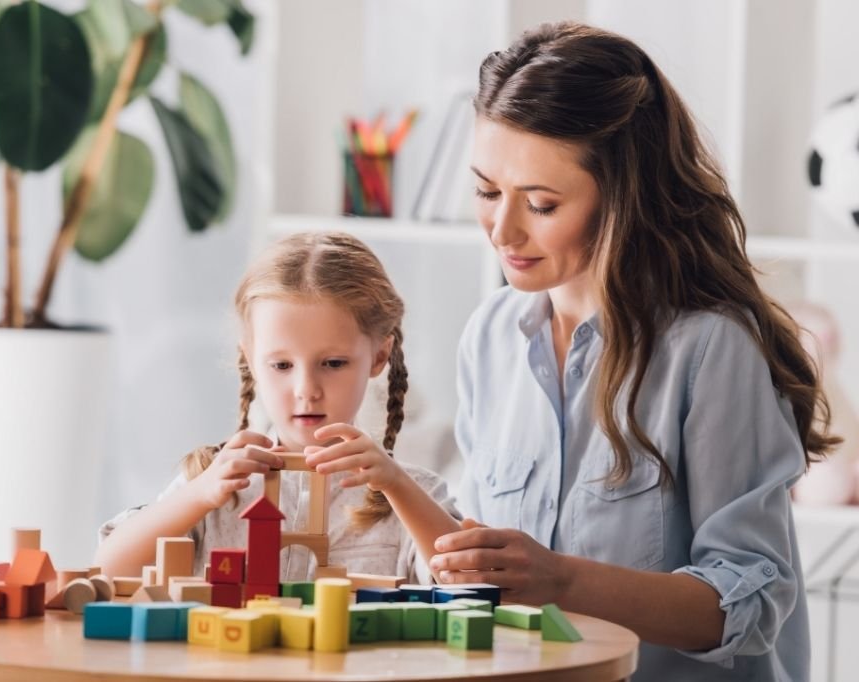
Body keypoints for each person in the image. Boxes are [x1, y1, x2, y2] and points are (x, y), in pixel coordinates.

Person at [427, 21, 838, 681]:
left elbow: (753, 604)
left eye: (540, 202)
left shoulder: (709, 349)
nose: (502, 229)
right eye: (486, 191)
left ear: (620, 196)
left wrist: (562, 579)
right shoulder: (491, 335)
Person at [95, 231, 461, 583]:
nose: (306, 390)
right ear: (250, 360)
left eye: (333, 363)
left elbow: (466, 581)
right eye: (282, 366)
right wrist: (200, 494)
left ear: (379, 356)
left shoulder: (413, 493)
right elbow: (108, 570)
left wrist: (395, 484)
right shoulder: (213, 481)